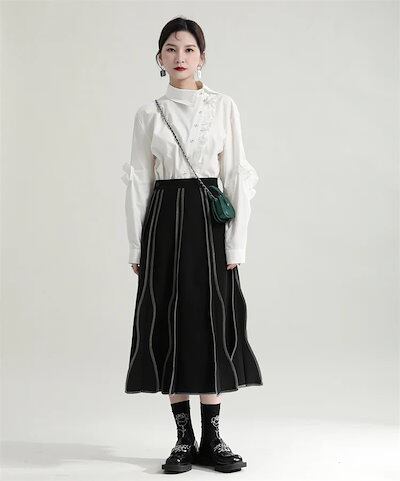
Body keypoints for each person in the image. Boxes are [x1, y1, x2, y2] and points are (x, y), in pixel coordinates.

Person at [121, 16, 263, 474]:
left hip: (207, 224)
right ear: (159, 58)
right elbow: (139, 182)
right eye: (171, 49)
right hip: (164, 223)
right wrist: (137, 248)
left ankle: (213, 438)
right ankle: (184, 438)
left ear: (202, 57)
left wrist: (236, 245)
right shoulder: (148, 113)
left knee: (209, 322)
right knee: (170, 323)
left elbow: (237, 175)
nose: (179, 57)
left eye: (188, 49)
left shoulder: (224, 107)